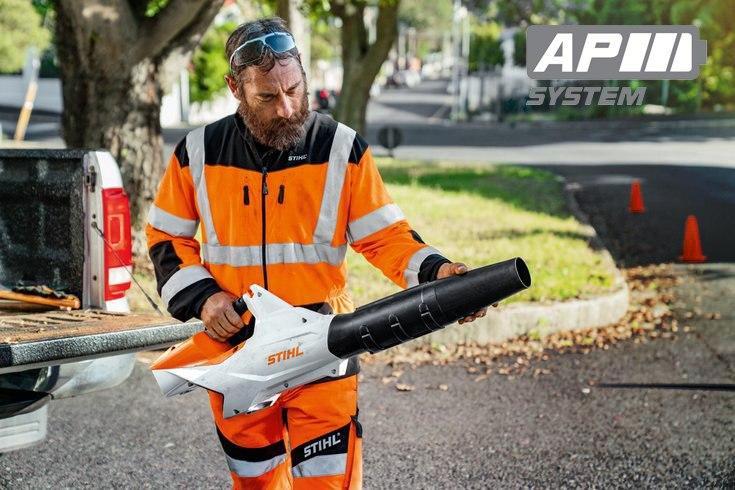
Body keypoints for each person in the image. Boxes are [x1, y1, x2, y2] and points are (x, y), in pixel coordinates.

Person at [146, 17, 486, 490]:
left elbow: (386, 237)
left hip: (323, 347)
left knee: (328, 482)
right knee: (256, 482)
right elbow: (166, 239)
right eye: (267, 97)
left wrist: (438, 273)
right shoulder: (197, 152)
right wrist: (204, 299)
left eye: (294, 89)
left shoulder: (341, 148)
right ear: (235, 89)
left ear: (304, 75)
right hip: (238, 354)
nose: (287, 108)